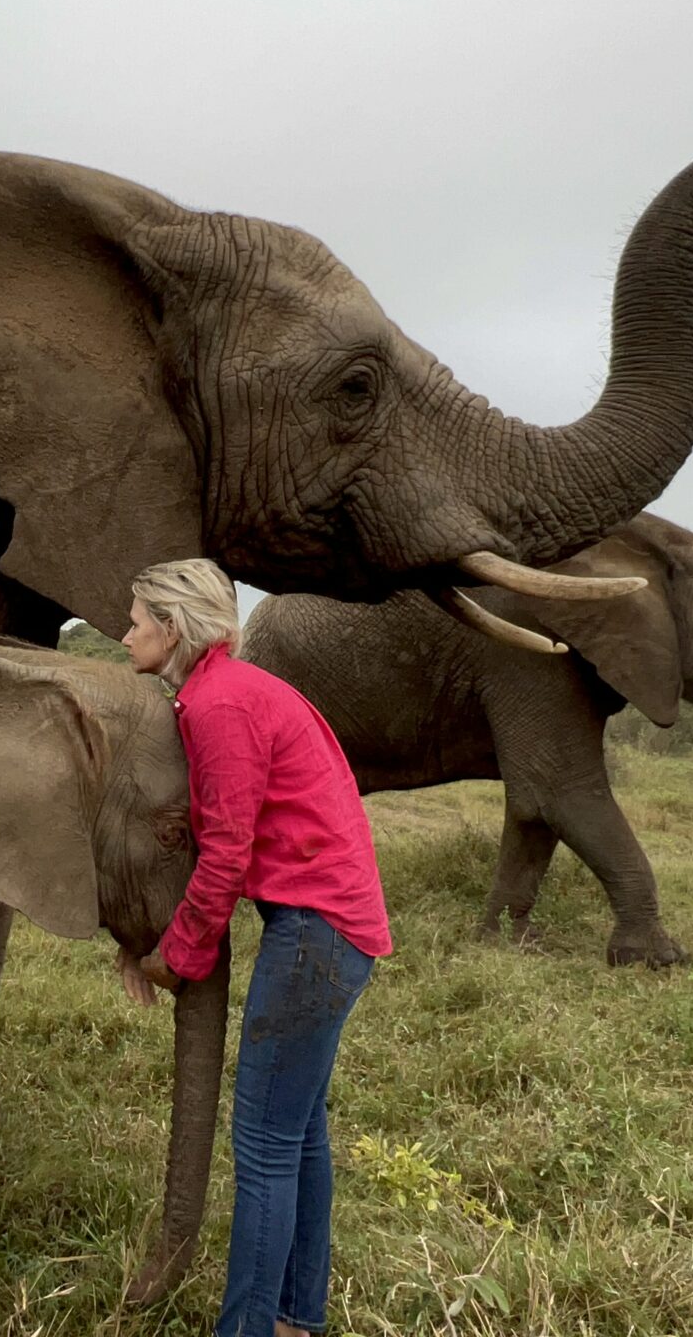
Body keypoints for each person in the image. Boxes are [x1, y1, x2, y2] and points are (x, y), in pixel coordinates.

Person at [115, 558, 392, 1337]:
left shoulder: (219, 706)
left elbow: (227, 852)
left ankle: (247, 1328)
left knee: (266, 1143)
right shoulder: (228, 690)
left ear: (171, 629)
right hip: (331, 927)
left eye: (137, 619)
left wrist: (177, 954)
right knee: (299, 1133)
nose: (125, 632)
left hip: (315, 931)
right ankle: (297, 1318)